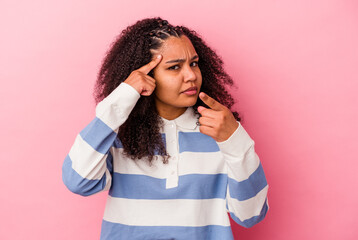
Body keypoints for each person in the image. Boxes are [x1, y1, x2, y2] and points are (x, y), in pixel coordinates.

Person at [62, 17, 269, 240]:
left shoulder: (220, 133)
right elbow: (78, 181)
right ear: (145, 76)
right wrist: (120, 101)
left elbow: (251, 215)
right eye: (174, 67)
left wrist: (235, 139)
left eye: (194, 63)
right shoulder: (118, 134)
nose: (191, 76)